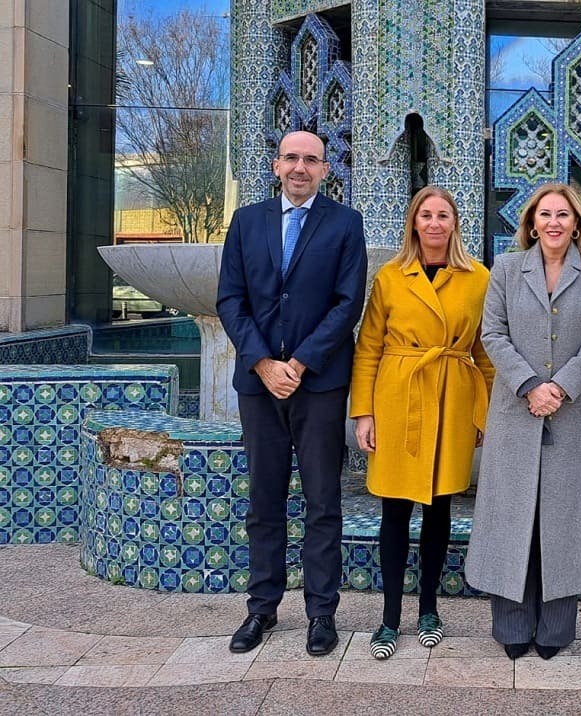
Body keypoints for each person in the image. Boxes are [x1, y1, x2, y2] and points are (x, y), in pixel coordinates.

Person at [217, 130, 367, 656]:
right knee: (264, 500)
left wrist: (299, 363)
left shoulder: (346, 225)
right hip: (259, 386)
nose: (300, 167)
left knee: (323, 501)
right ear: (275, 164)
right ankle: (261, 609)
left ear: (326, 169)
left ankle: (321, 612)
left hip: (319, 384)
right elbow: (230, 299)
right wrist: (263, 362)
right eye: (291, 158)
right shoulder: (246, 221)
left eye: (311, 159)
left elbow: (347, 305)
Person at [465, 183, 581, 660]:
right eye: (545, 215)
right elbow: (492, 332)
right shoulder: (507, 270)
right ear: (531, 223)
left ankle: (555, 628)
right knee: (512, 517)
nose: (554, 223)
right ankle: (511, 625)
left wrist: (562, 387)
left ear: (576, 224)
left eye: (563, 215)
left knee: (563, 520)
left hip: (570, 413)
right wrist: (530, 384)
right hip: (515, 408)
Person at [349, 185, 495, 659]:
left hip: (452, 397)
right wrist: (364, 412)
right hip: (399, 397)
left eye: (443, 216)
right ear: (413, 222)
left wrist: (484, 414)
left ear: (456, 223)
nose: (434, 224)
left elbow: (485, 352)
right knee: (393, 512)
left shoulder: (478, 278)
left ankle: (428, 608)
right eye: (425, 215)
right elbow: (368, 347)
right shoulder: (390, 277)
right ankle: (390, 617)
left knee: (438, 511)